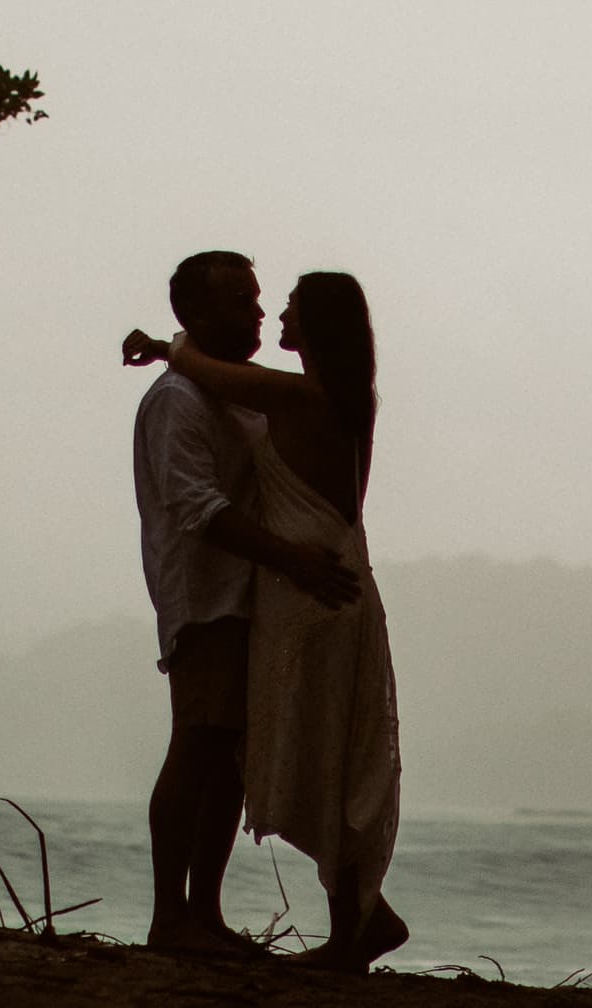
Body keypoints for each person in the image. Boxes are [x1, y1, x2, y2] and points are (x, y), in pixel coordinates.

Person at [123, 267, 409, 969]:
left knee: (265, 755)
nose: (262, 315)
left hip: (290, 596)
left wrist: (168, 342)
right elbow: (196, 506)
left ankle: (214, 916)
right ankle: (179, 918)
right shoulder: (193, 400)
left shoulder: (277, 396)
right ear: (198, 309)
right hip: (221, 597)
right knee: (210, 746)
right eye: (246, 302)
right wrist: (170, 350)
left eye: (272, 305)